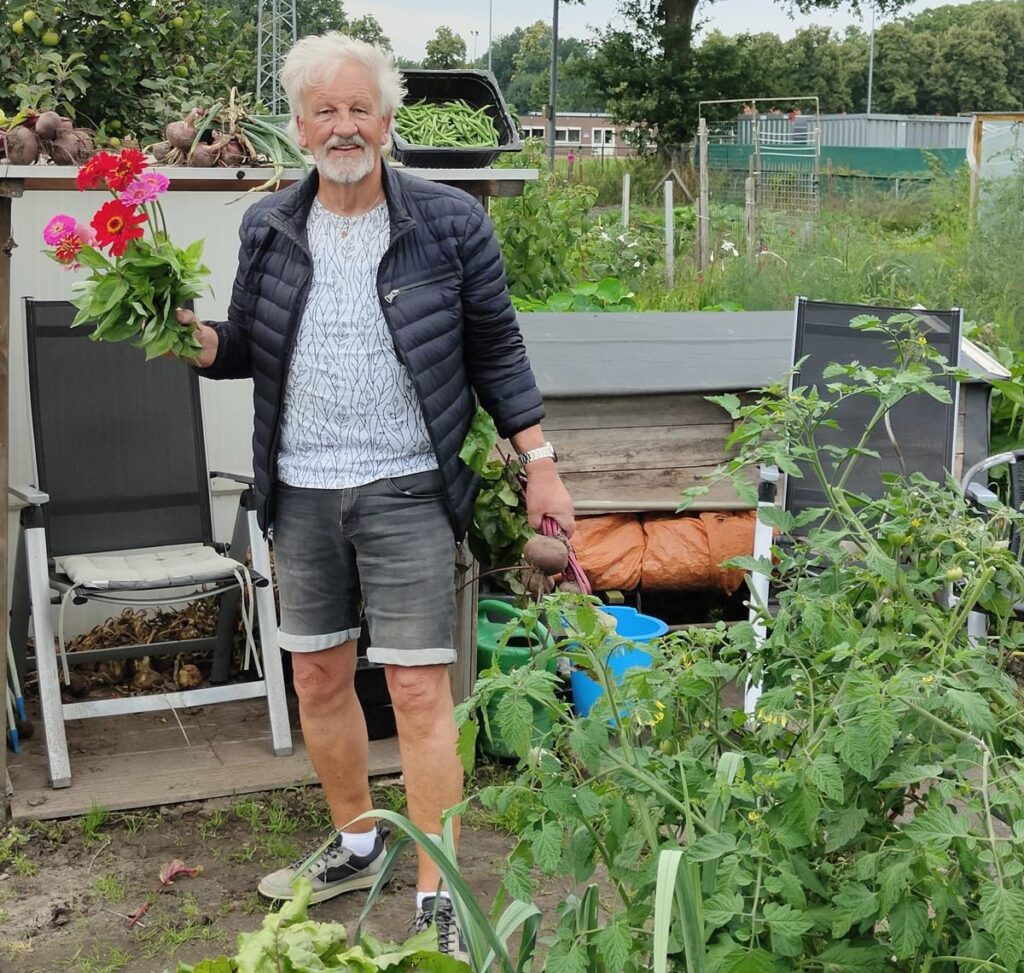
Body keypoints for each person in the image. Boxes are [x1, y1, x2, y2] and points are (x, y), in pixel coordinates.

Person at [174, 32, 575, 956]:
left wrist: (542, 460)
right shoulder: (268, 225)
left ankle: (436, 888)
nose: (344, 126)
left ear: (388, 122)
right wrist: (202, 344)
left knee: (419, 689)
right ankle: (357, 841)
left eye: (361, 109)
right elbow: (251, 344)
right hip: (300, 485)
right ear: (300, 126)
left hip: (407, 483)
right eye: (326, 110)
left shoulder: (448, 221)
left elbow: (497, 348)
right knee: (318, 676)